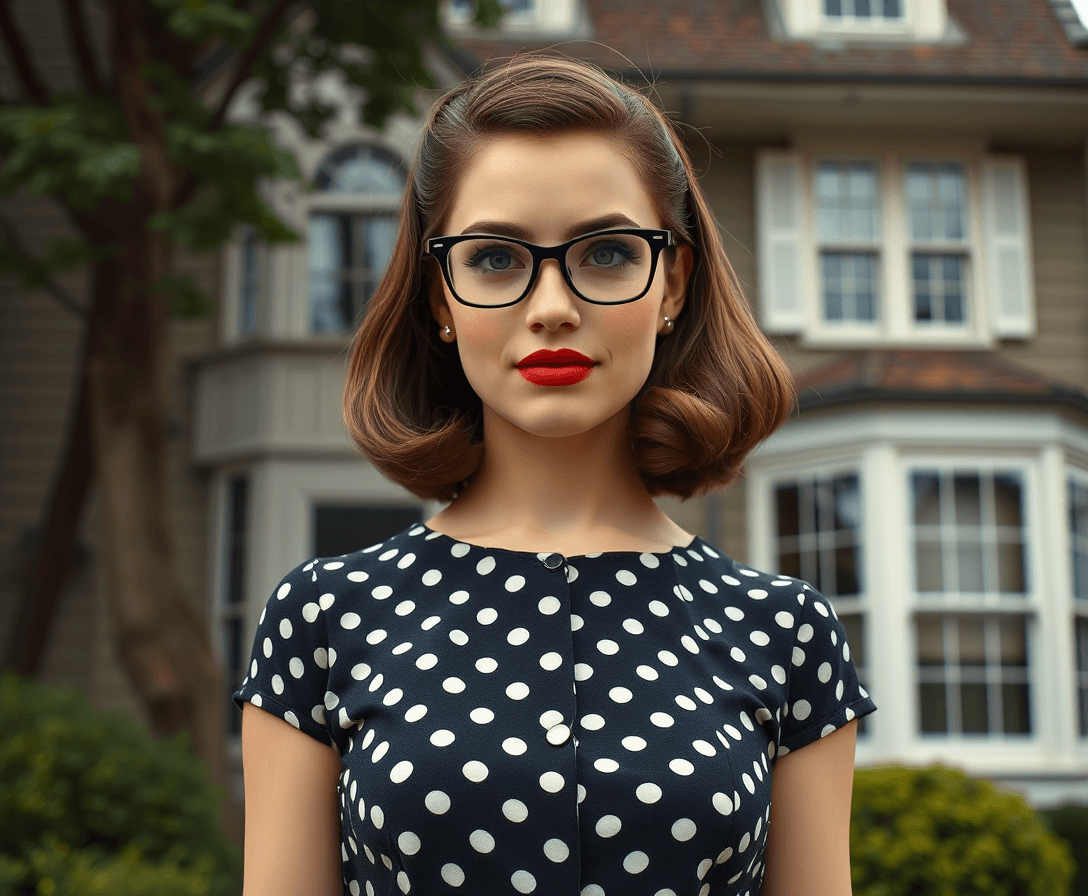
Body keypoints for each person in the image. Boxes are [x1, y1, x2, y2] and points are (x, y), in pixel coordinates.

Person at [232, 54, 877, 896]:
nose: (552, 307)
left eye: (607, 252)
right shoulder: (324, 619)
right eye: (496, 258)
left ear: (672, 282)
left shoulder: (786, 634)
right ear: (440, 297)